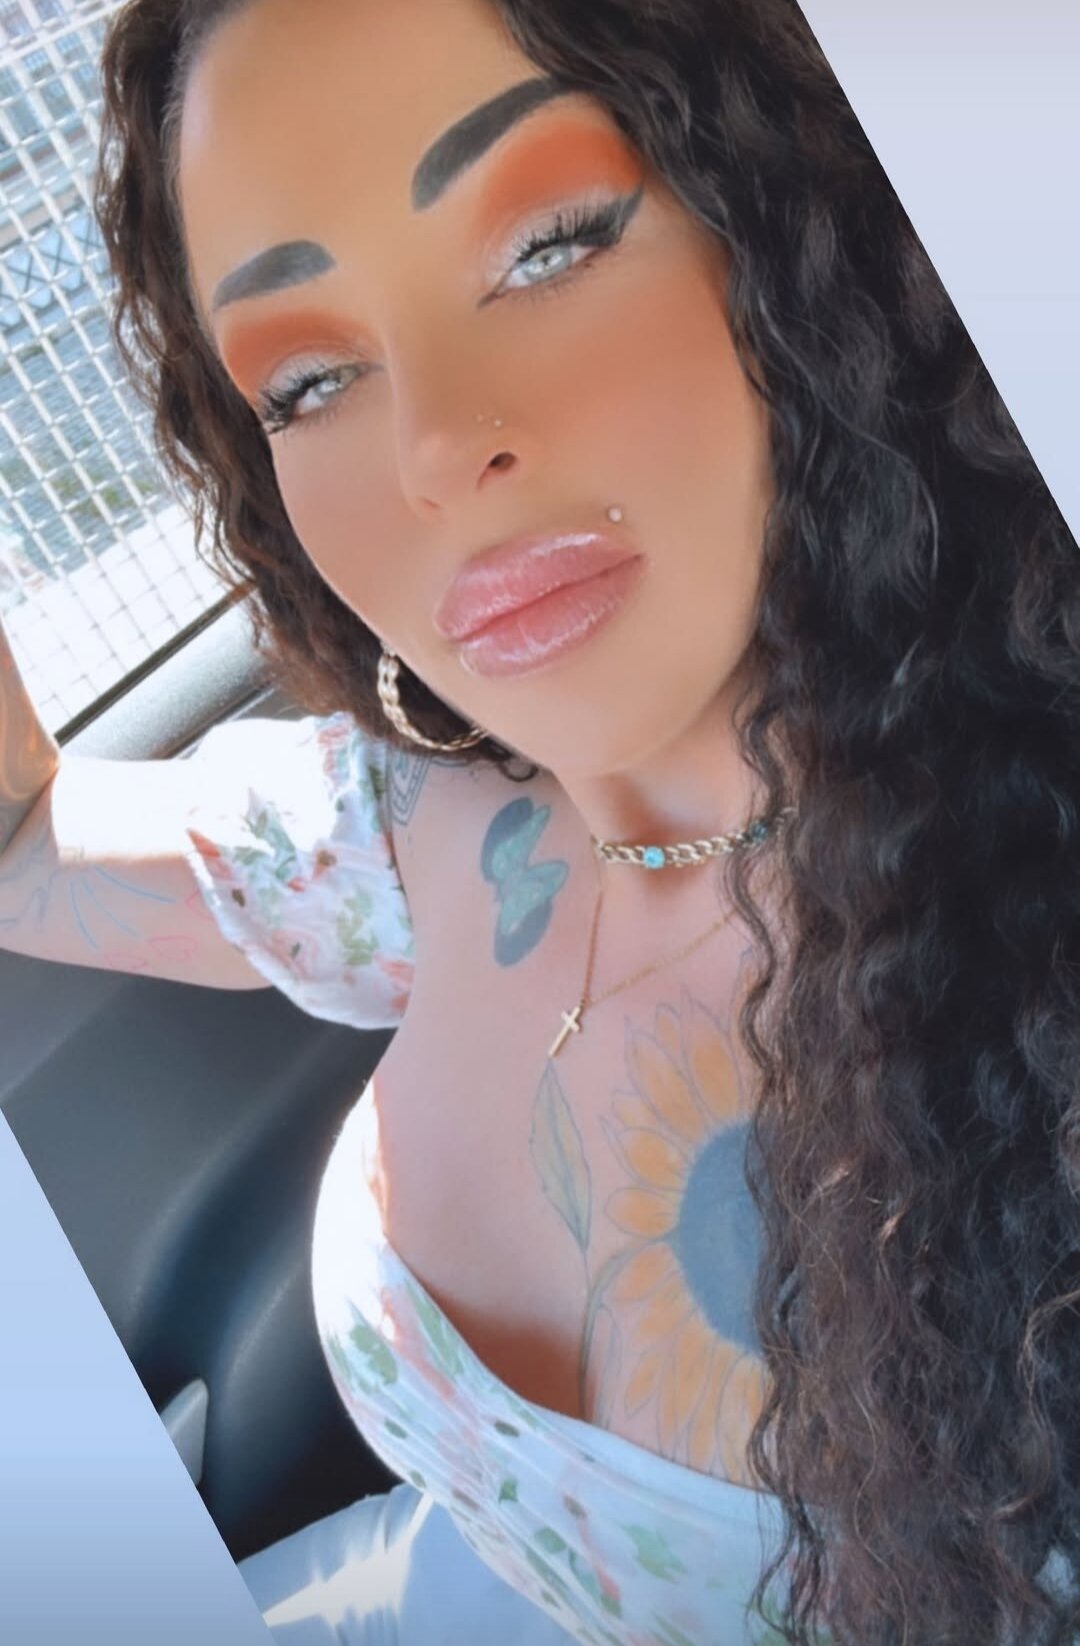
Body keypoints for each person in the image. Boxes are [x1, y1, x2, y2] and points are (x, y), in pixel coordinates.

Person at [1, 0, 1077, 1639]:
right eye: (310, 378)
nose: (435, 446)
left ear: (805, 229)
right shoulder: (412, 822)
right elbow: (29, 853)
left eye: (551, 245)